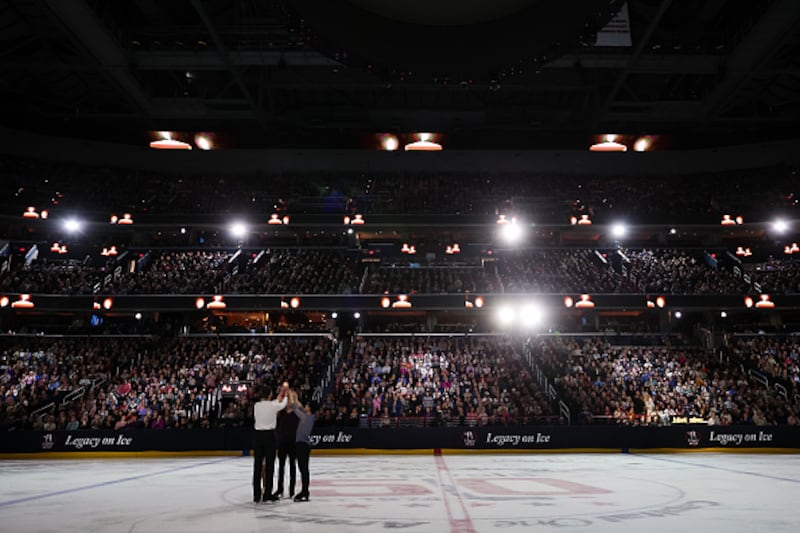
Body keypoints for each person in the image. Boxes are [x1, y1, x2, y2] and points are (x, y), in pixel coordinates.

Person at [252, 382, 288, 503]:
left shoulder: (256, 405)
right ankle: (267, 493)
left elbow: (276, 403)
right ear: (270, 394)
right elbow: (282, 404)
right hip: (269, 436)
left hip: (258, 436)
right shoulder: (273, 405)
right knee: (270, 465)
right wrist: (286, 395)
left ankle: (257, 494)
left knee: (257, 466)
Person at [289, 389, 316, 502]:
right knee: (303, 469)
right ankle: (305, 491)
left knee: (304, 469)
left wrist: (291, 398)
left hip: (303, 446)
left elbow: (295, 408)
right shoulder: (307, 416)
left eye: (307, 405)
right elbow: (299, 407)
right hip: (301, 445)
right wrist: (295, 398)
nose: (305, 406)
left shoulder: (307, 417)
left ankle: (305, 491)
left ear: (309, 408)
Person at [273, 400, 300, 499]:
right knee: (281, 467)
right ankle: (280, 489)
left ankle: (292, 490)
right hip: (282, 443)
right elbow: (276, 426)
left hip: (293, 443)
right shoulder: (281, 414)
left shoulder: (296, 414)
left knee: (292, 466)